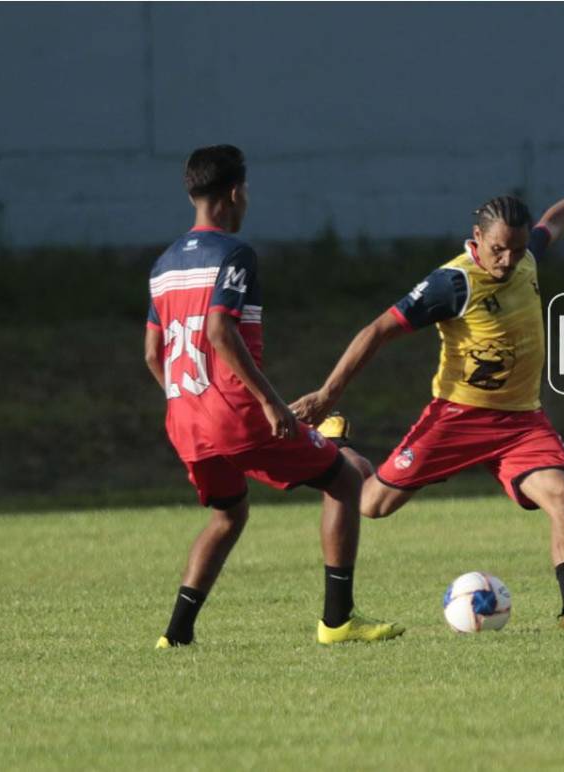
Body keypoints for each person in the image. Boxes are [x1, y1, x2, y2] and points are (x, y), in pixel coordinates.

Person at [292, 153, 564, 630]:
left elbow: (555, 220)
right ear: (477, 240)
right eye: (498, 249)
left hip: (520, 421)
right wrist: (328, 392)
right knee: (371, 505)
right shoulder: (452, 283)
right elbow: (376, 331)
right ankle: (339, 445)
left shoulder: (525, 256)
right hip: (458, 418)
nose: (508, 259)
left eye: (516, 248)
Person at [144, 144, 403, 647]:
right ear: (235, 192)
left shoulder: (164, 264)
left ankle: (175, 636)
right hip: (236, 416)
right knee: (347, 479)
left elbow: (154, 354)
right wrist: (271, 404)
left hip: (185, 422)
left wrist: (186, 402)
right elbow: (221, 330)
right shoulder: (235, 253)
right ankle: (337, 621)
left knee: (229, 514)